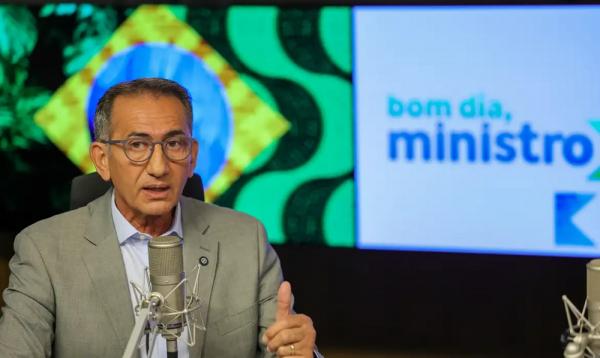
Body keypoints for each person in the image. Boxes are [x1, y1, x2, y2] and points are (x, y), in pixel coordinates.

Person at [0, 78, 319, 357]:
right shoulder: (44, 251)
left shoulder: (245, 240)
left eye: (174, 144)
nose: (158, 167)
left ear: (192, 156)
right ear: (102, 160)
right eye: (137, 145)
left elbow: (284, 346)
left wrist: (300, 353)